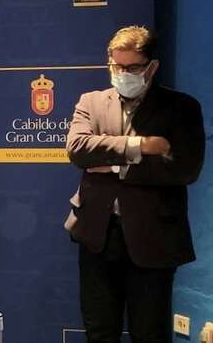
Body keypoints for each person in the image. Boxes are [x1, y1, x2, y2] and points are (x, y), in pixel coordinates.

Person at [66, 26, 205, 342]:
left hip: (154, 238)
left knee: (149, 334)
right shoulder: (91, 102)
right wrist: (140, 146)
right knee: (99, 332)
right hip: (97, 235)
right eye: (116, 66)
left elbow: (184, 169)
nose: (122, 74)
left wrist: (112, 165)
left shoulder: (182, 107)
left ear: (152, 67)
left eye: (132, 68)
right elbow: (78, 149)